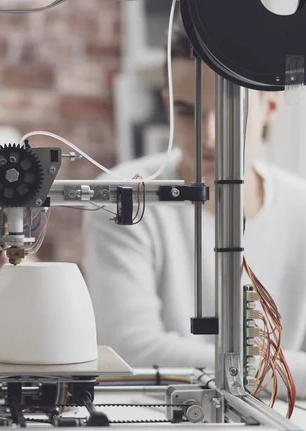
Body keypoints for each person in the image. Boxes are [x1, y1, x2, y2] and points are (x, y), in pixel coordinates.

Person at [83, 19, 306, 397]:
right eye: (188, 112)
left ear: (270, 105)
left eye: (232, 109)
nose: (210, 135)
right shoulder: (123, 197)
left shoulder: (300, 208)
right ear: (168, 107)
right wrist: (286, 373)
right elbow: (131, 349)